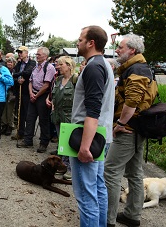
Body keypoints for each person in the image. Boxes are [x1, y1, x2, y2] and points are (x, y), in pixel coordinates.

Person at [104, 34, 156, 227]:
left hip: (128, 129)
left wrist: (120, 124)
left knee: (110, 171)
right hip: (138, 128)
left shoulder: (136, 69)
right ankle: (132, 216)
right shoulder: (137, 67)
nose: (117, 50)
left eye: (121, 47)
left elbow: (132, 101)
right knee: (134, 173)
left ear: (132, 50)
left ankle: (107, 220)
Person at [70, 25, 115, 227]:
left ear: (91, 43)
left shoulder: (94, 68)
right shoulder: (102, 64)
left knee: (87, 197)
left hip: (89, 138)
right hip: (99, 136)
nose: (77, 43)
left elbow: (93, 111)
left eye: (80, 39)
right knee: (97, 188)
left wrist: (85, 147)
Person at [17, 47, 56, 153]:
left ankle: (43, 143)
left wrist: (36, 95)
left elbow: (46, 84)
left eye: (39, 54)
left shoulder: (49, 68)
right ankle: (28, 140)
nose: (37, 56)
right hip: (33, 94)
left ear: (45, 56)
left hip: (42, 95)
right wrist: (31, 93)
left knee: (43, 120)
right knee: (29, 118)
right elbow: (30, 81)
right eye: (37, 54)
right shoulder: (35, 67)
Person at [47, 56, 78, 181]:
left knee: (70, 144)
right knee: (62, 143)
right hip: (58, 116)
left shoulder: (76, 79)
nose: (58, 67)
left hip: (70, 116)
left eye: (61, 65)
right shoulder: (58, 79)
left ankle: (70, 169)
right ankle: (63, 166)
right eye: (57, 64)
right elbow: (54, 95)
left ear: (69, 66)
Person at [11, 46, 35, 140]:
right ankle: (20, 132)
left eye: (21, 52)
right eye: (18, 52)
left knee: (28, 114)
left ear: (26, 53)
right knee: (20, 112)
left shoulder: (32, 63)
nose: (19, 54)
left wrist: (18, 75)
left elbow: (28, 72)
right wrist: (18, 80)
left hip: (28, 91)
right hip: (19, 91)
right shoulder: (18, 64)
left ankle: (28, 134)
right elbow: (14, 75)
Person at [1, 56, 17, 136]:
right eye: (8, 62)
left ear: (14, 63)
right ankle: (4, 125)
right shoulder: (3, 70)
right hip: (3, 91)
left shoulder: (15, 72)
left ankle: (10, 126)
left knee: (10, 110)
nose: (9, 64)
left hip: (12, 92)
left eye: (11, 62)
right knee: (3, 109)